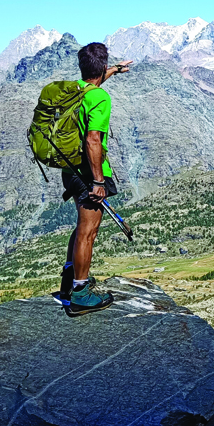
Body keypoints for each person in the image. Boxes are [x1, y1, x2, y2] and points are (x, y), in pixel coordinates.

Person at [53, 42, 132, 315]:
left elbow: (93, 85)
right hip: (89, 175)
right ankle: (80, 294)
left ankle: (68, 280)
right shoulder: (100, 98)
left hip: (70, 170)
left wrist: (113, 71)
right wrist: (98, 181)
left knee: (80, 229)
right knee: (88, 233)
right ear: (99, 68)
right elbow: (92, 139)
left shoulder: (75, 90)